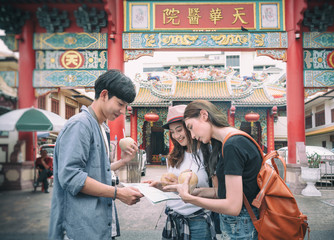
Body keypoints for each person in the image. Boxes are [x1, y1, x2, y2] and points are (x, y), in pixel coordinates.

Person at [49, 70, 144, 240]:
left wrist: (123, 161)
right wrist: (118, 193)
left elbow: (97, 171)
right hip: (80, 227)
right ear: (104, 95)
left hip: (97, 225)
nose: (123, 111)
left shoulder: (101, 127)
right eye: (120, 104)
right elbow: (71, 177)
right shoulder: (81, 125)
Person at [164, 100, 262, 239]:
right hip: (240, 224)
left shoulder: (232, 145)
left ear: (204, 115)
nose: (191, 135)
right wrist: (195, 191)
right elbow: (222, 192)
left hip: (241, 226)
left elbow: (233, 207)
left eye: (190, 127)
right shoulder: (230, 142)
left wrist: (190, 199)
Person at [145, 105, 217, 240]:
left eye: (179, 130)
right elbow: (173, 189)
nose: (176, 136)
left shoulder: (208, 154)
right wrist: (159, 185)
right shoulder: (174, 156)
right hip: (173, 218)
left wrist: (184, 186)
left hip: (198, 220)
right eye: (172, 132)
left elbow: (218, 192)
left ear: (190, 126)